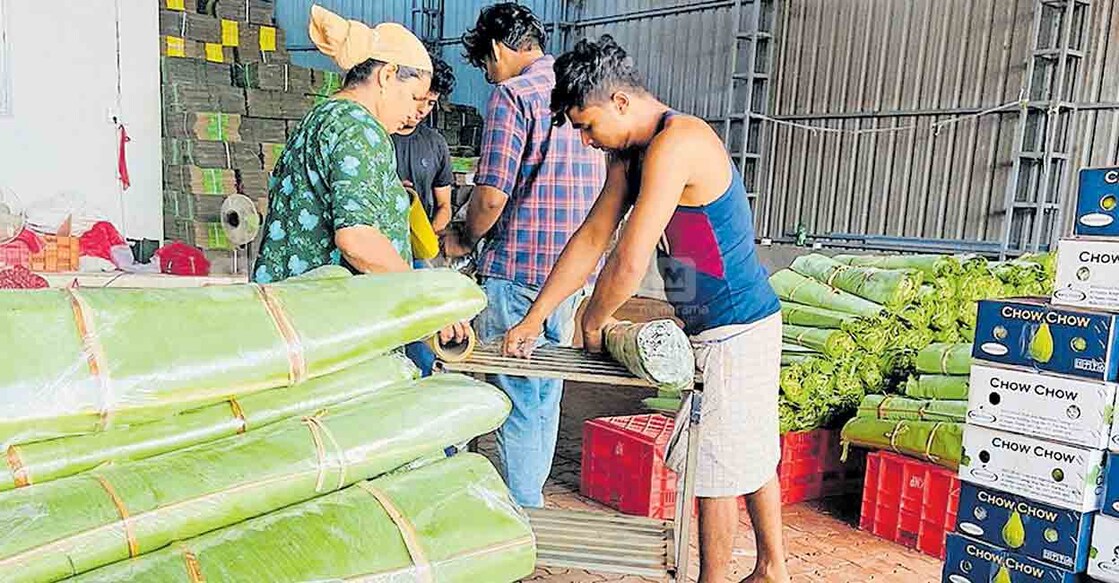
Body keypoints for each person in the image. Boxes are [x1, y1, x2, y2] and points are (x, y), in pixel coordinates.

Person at [502, 36, 790, 583]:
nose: (586, 140)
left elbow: (631, 256)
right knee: (744, 446)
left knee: (718, 468)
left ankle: (721, 577)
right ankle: (772, 568)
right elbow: (592, 236)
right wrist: (536, 317)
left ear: (620, 103)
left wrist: (593, 320)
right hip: (712, 322)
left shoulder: (678, 141)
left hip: (736, 324)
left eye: (587, 125)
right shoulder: (628, 154)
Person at [441, 2, 606, 509]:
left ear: (495, 50)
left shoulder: (514, 95)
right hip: (573, 272)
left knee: (516, 393)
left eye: (486, 67)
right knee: (546, 390)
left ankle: (520, 513)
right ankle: (529, 498)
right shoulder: (582, 89)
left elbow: (491, 196)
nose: (490, 78)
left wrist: (462, 238)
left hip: (518, 271)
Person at [252, 5, 467, 345]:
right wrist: (427, 301)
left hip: (292, 318)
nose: (415, 112)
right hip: (329, 328)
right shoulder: (360, 128)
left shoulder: (322, 117)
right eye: (413, 97)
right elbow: (358, 239)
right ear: (386, 75)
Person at [393, 53, 458, 376]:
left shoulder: (435, 144)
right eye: (418, 100)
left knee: (422, 333)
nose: (421, 110)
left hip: (420, 255)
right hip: (378, 256)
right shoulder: (377, 136)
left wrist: (427, 235)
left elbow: (444, 205)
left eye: (430, 104)